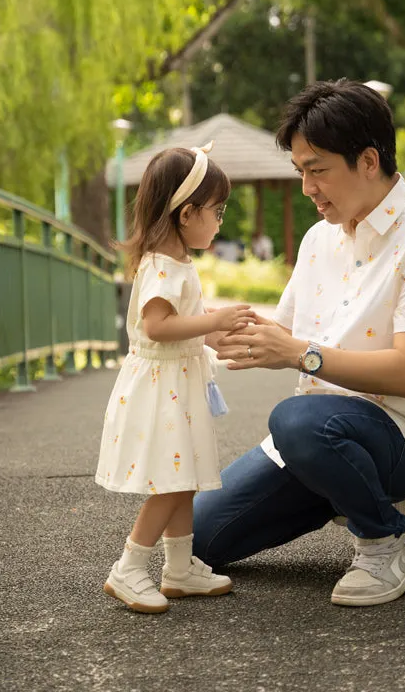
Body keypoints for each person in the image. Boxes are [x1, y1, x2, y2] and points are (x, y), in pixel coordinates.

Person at [193, 79, 405, 607]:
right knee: (197, 538)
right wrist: (193, 325)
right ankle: (339, 486)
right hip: (315, 435)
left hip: (401, 434)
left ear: (368, 161)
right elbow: (282, 329)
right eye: (300, 171)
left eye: (317, 170)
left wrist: (301, 354)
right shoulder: (319, 237)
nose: (307, 188)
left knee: (296, 420)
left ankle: (384, 541)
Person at [95, 143, 255, 613]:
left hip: (176, 382)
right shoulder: (163, 266)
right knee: (170, 480)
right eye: (217, 210)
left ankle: (179, 568)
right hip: (161, 389)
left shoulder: (174, 260)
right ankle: (128, 568)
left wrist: (214, 336)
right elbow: (158, 327)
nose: (221, 220)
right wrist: (213, 323)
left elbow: (181, 326)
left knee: (182, 477)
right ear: (187, 213)